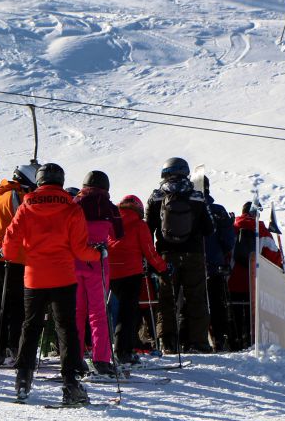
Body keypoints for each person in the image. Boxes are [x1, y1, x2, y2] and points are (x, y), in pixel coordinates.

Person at [2, 163, 101, 405]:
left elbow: (9, 245)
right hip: (63, 277)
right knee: (66, 328)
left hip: (34, 277)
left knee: (31, 326)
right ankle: (70, 383)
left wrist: (20, 256)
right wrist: (99, 254)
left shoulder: (26, 206)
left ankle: (23, 380)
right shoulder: (71, 207)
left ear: (39, 181)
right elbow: (80, 250)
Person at [146, 157, 215, 354]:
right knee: (196, 298)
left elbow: (147, 228)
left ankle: (167, 343)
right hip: (194, 255)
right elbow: (210, 228)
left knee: (166, 298)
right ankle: (198, 342)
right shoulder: (197, 196)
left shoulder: (156, 197)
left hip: (166, 256)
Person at [0, 162, 39, 365]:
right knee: (16, 305)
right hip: (11, 256)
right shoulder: (17, 197)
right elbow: (25, 225)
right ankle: (15, 348)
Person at [74, 170, 124, 375]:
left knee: (76, 312)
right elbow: (118, 234)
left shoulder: (74, 204)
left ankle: (74, 358)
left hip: (74, 262)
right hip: (98, 264)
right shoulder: (110, 207)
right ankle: (101, 360)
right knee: (98, 313)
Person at [108, 195, 168, 364]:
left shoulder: (112, 221)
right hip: (131, 273)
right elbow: (149, 251)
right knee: (128, 314)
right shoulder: (139, 225)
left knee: (118, 312)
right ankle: (123, 352)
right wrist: (163, 268)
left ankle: (121, 349)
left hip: (111, 273)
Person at [228, 201, 284, 350]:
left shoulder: (231, 228)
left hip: (231, 283)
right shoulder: (262, 232)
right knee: (251, 318)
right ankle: (250, 346)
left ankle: (234, 345)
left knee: (234, 317)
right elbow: (275, 258)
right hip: (254, 284)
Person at [202, 176, 236, 351]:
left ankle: (192, 340)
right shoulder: (217, 210)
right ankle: (219, 340)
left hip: (191, 266)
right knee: (217, 304)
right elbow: (229, 242)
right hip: (215, 266)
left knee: (192, 303)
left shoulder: (189, 207)